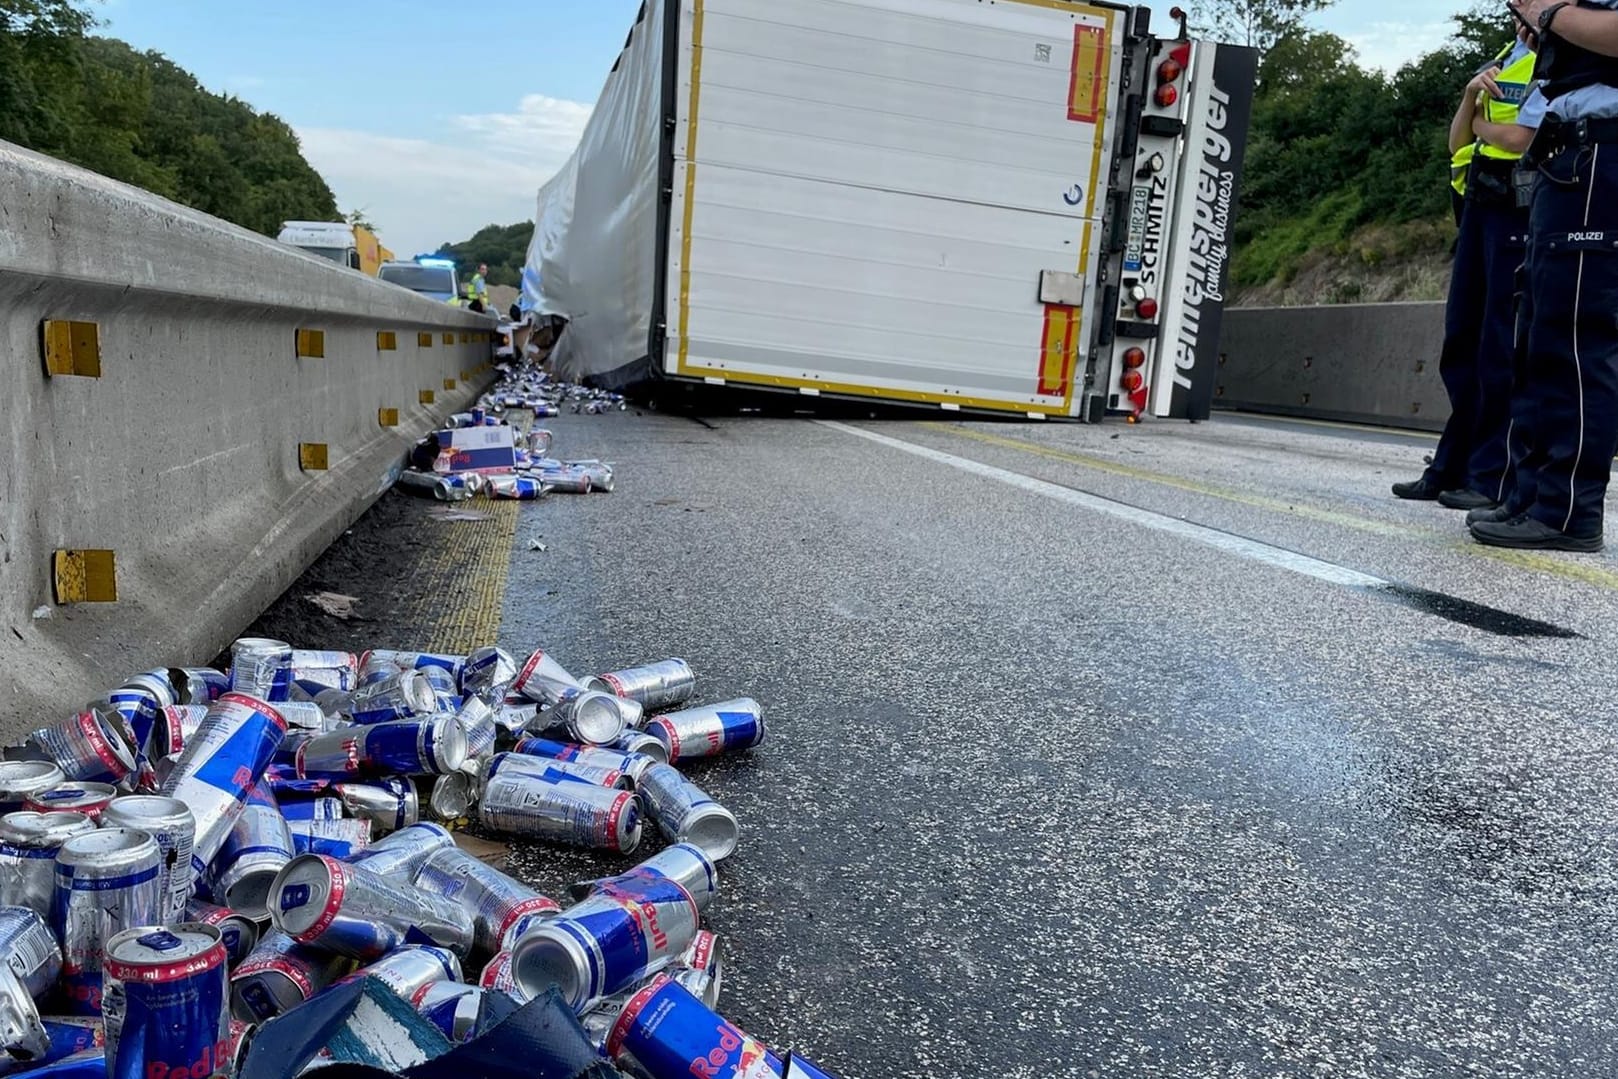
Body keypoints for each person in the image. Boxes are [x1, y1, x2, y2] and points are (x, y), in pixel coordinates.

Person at [1468, 0, 1618, 552]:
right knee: (1538, 336)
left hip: (1601, 152)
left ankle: (1569, 511)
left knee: (1577, 339)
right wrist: (1544, 35)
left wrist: (1547, 12)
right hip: (1565, 153)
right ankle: (1530, 496)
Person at [1392, 41, 1543, 510]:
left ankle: (1489, 476)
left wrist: (1480, 123)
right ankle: (1449, 467)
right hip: (1478, 203)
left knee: (1498, 350)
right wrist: (1467, 98)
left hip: (1516, 209)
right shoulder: (1505, 56)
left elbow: (1521, 138)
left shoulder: (1556, 58)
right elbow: (1457, 144)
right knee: (1462, 342)